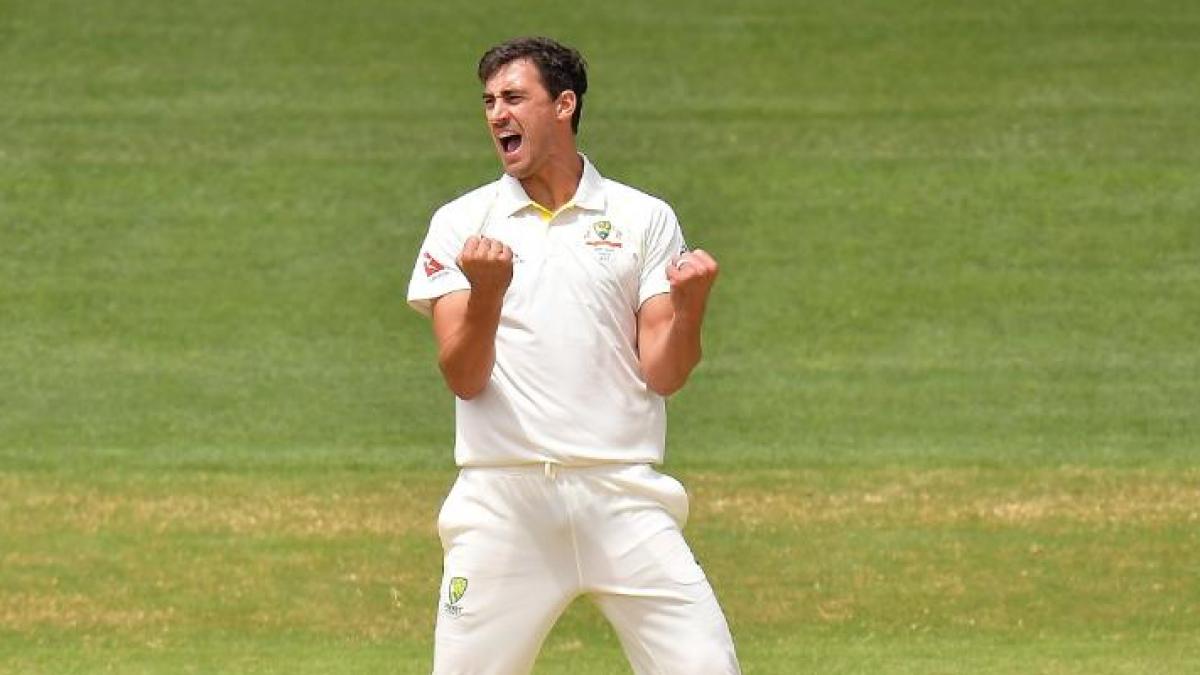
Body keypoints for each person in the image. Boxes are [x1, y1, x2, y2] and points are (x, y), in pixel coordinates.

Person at [406, 36, 740, 675]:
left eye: (513, 97)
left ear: (563, 105)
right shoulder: (461, 224)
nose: (497, 113)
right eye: (488, 102)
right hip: (504, 502)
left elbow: (664, 373)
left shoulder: (643, 217)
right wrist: (488, 296)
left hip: (623, 496)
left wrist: (693, 305)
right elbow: (464, 376)